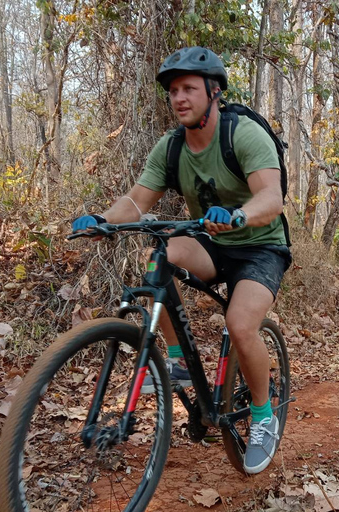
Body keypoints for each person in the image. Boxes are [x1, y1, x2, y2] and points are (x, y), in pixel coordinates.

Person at [71, 47, 291, 475]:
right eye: (173, 91)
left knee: (241, 325)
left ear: (213, 92)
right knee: (161, 255)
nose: (179, 98)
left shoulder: (242, 134)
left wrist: (239, 215)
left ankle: (263, 416)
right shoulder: (171, 147)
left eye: (189, 88)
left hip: (260, 246)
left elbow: (271, 197)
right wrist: (103, 220)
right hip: (208, 242)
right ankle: (176, 361)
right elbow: (137, 201)